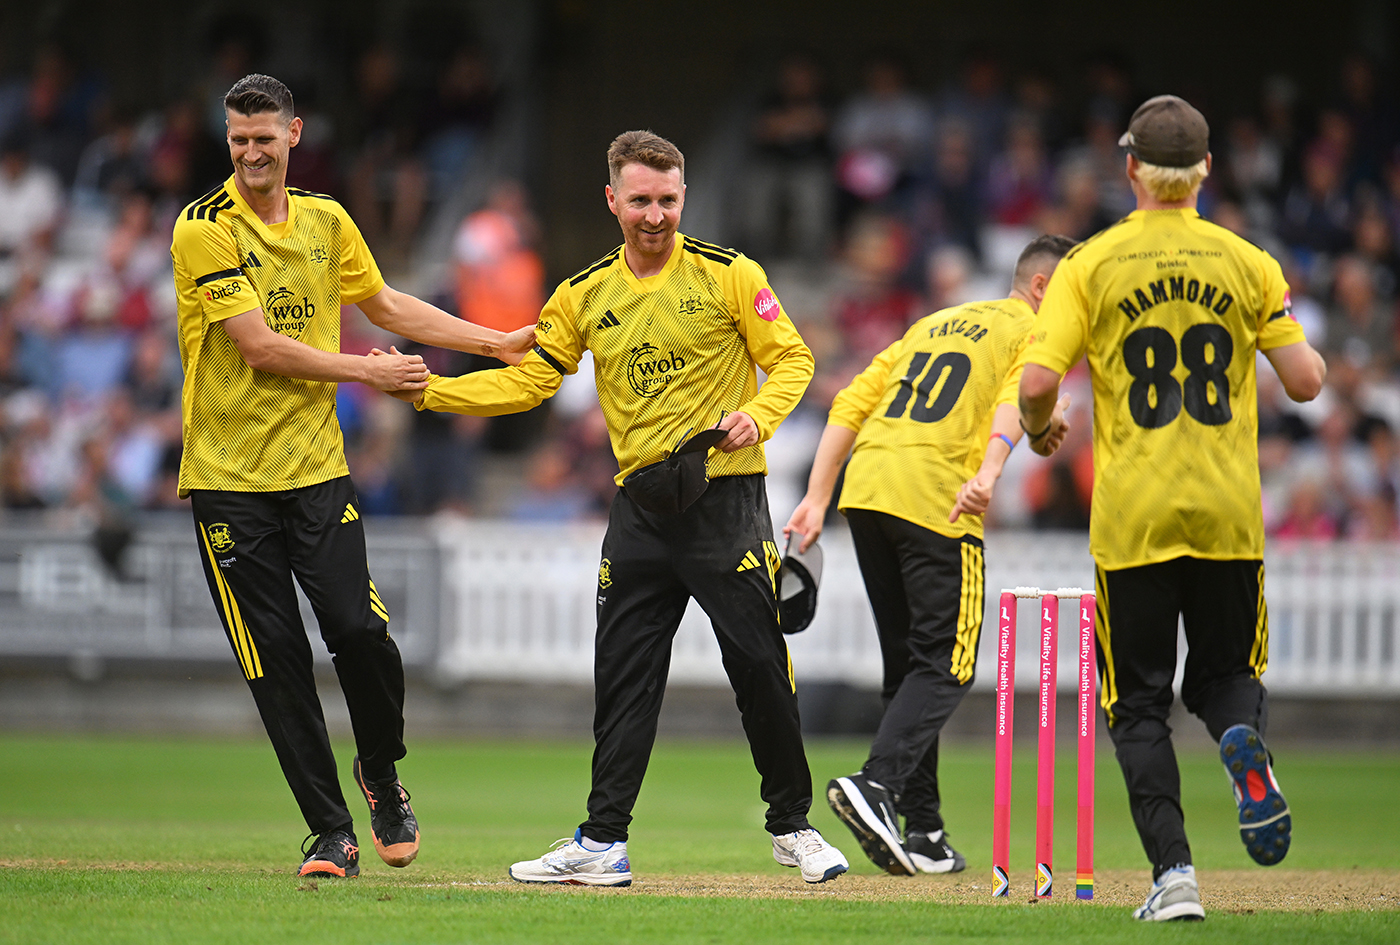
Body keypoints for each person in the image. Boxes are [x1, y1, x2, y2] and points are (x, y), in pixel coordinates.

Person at [387, 130, 848, 886]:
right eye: (641, 200)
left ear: (684, 197)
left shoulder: (731, 275)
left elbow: (794, 358)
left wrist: (756, 418)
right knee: (624, 675)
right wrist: (431, 391)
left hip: (723, 497)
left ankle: (792, 826)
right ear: (613, 200)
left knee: (760, 663)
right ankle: (603, 841)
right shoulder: (583, 293)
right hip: (639, 506)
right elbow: (530, 383)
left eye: (668, 199)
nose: (656, 214)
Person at [170, 74, 535, 880]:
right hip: (229, 481)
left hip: (314, 472)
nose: (252, 151)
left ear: (295, 134)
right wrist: (366, 376)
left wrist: (493, 341)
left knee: (361, 632)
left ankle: (381, 771)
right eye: (238, 138)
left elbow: (389, 305)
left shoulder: (327, 220)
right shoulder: (203, 228)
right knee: (276, 660)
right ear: (227, 139)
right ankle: (329, 830)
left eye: (265, 137)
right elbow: (258, 346)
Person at [1017, 95, 1327, 922]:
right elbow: (1305, 382)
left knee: (1138, 702)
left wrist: (1043, 432)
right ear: (1205, 172)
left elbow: (1039, 383)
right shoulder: (1248, 260)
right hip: (1228, 514)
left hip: (1135, 520)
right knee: (1227, 676)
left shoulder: (1092, 263)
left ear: (1130, 170)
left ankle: (1175, 876)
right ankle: (1243, 753)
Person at [783, 234, 1074, 877]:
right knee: (947, 665)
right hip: (937, 498)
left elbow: (854, 400)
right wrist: (995, 468)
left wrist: (816, 495)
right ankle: (876, 785)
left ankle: (926, 832)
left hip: (868, 491)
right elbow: (1012, 401)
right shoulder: (1035, 333)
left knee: (908, 669)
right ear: (1044, 288)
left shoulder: (937, 322)